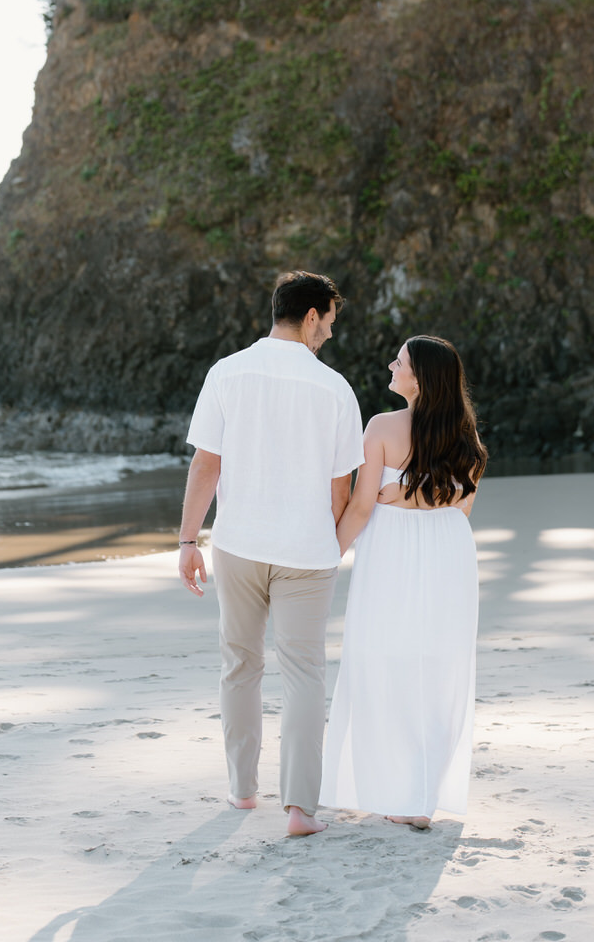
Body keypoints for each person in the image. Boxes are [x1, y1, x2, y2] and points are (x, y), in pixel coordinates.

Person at [178, 270, 364, 837]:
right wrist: (327, 545)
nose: (328, 334)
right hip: (307, 552)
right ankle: (301, 811)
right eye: (328, 322)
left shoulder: (227, 372)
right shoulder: (335, 388)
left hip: (237, 543)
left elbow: (206, 465)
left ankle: (241, 791)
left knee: (240, 664)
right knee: (305, 673)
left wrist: (188, 540)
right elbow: (342, 490)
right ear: (311, 316)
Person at [319, 334, 487, 829]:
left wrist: (327, 554)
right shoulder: (469, 437)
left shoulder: (383, 427)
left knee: (381, 661)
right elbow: (460, 507)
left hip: (393, 552)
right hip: (449, 553)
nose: (391, 364)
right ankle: (421, 794)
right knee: (437, 666)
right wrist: (413, 495)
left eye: (401, 360)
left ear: (421, 377)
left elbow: (363, 503)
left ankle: (398, 792)